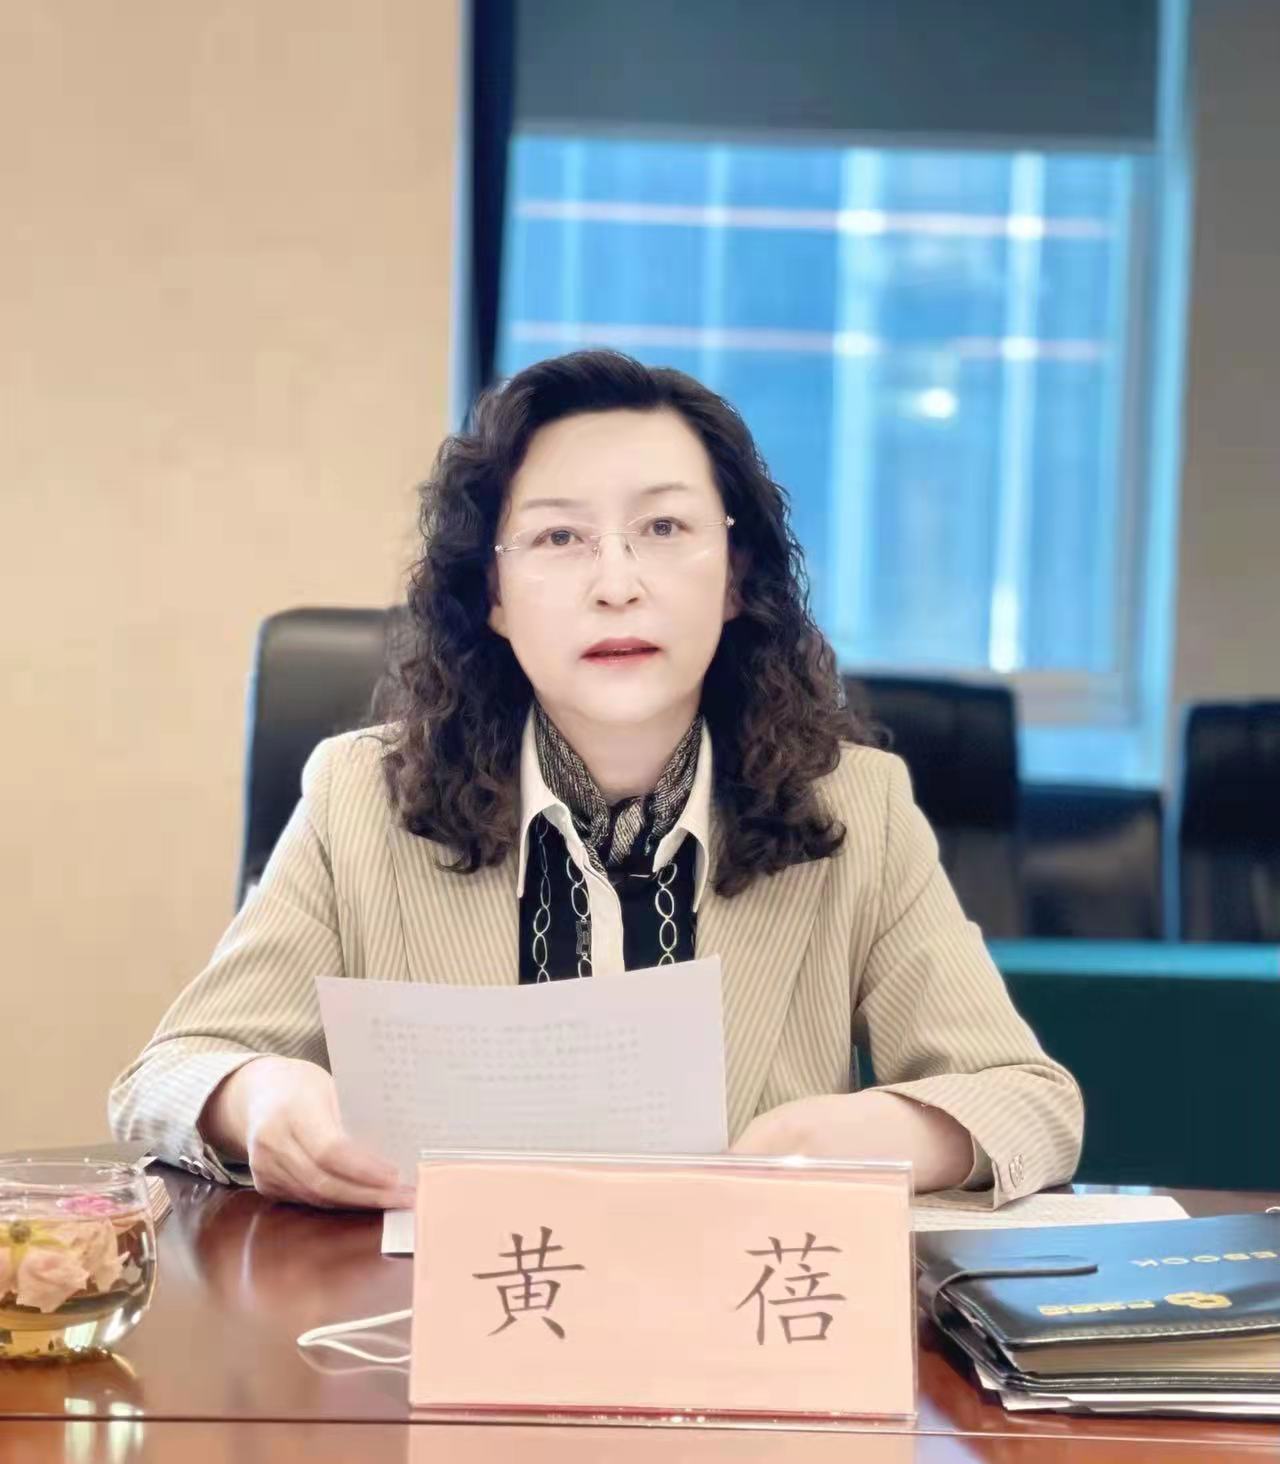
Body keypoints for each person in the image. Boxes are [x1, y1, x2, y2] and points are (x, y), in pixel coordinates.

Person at [109, 350, 1083, 1211]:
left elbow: (1030, 1103)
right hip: (435, 1322)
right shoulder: (361, 797)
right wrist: (260, 1100)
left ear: (735, 575)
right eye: (558, 538)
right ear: (493, 596)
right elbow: (168, 1074)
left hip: (738, 1325)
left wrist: (883, 1134)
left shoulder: (855, 809)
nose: (616, 583)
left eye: (663, 527)